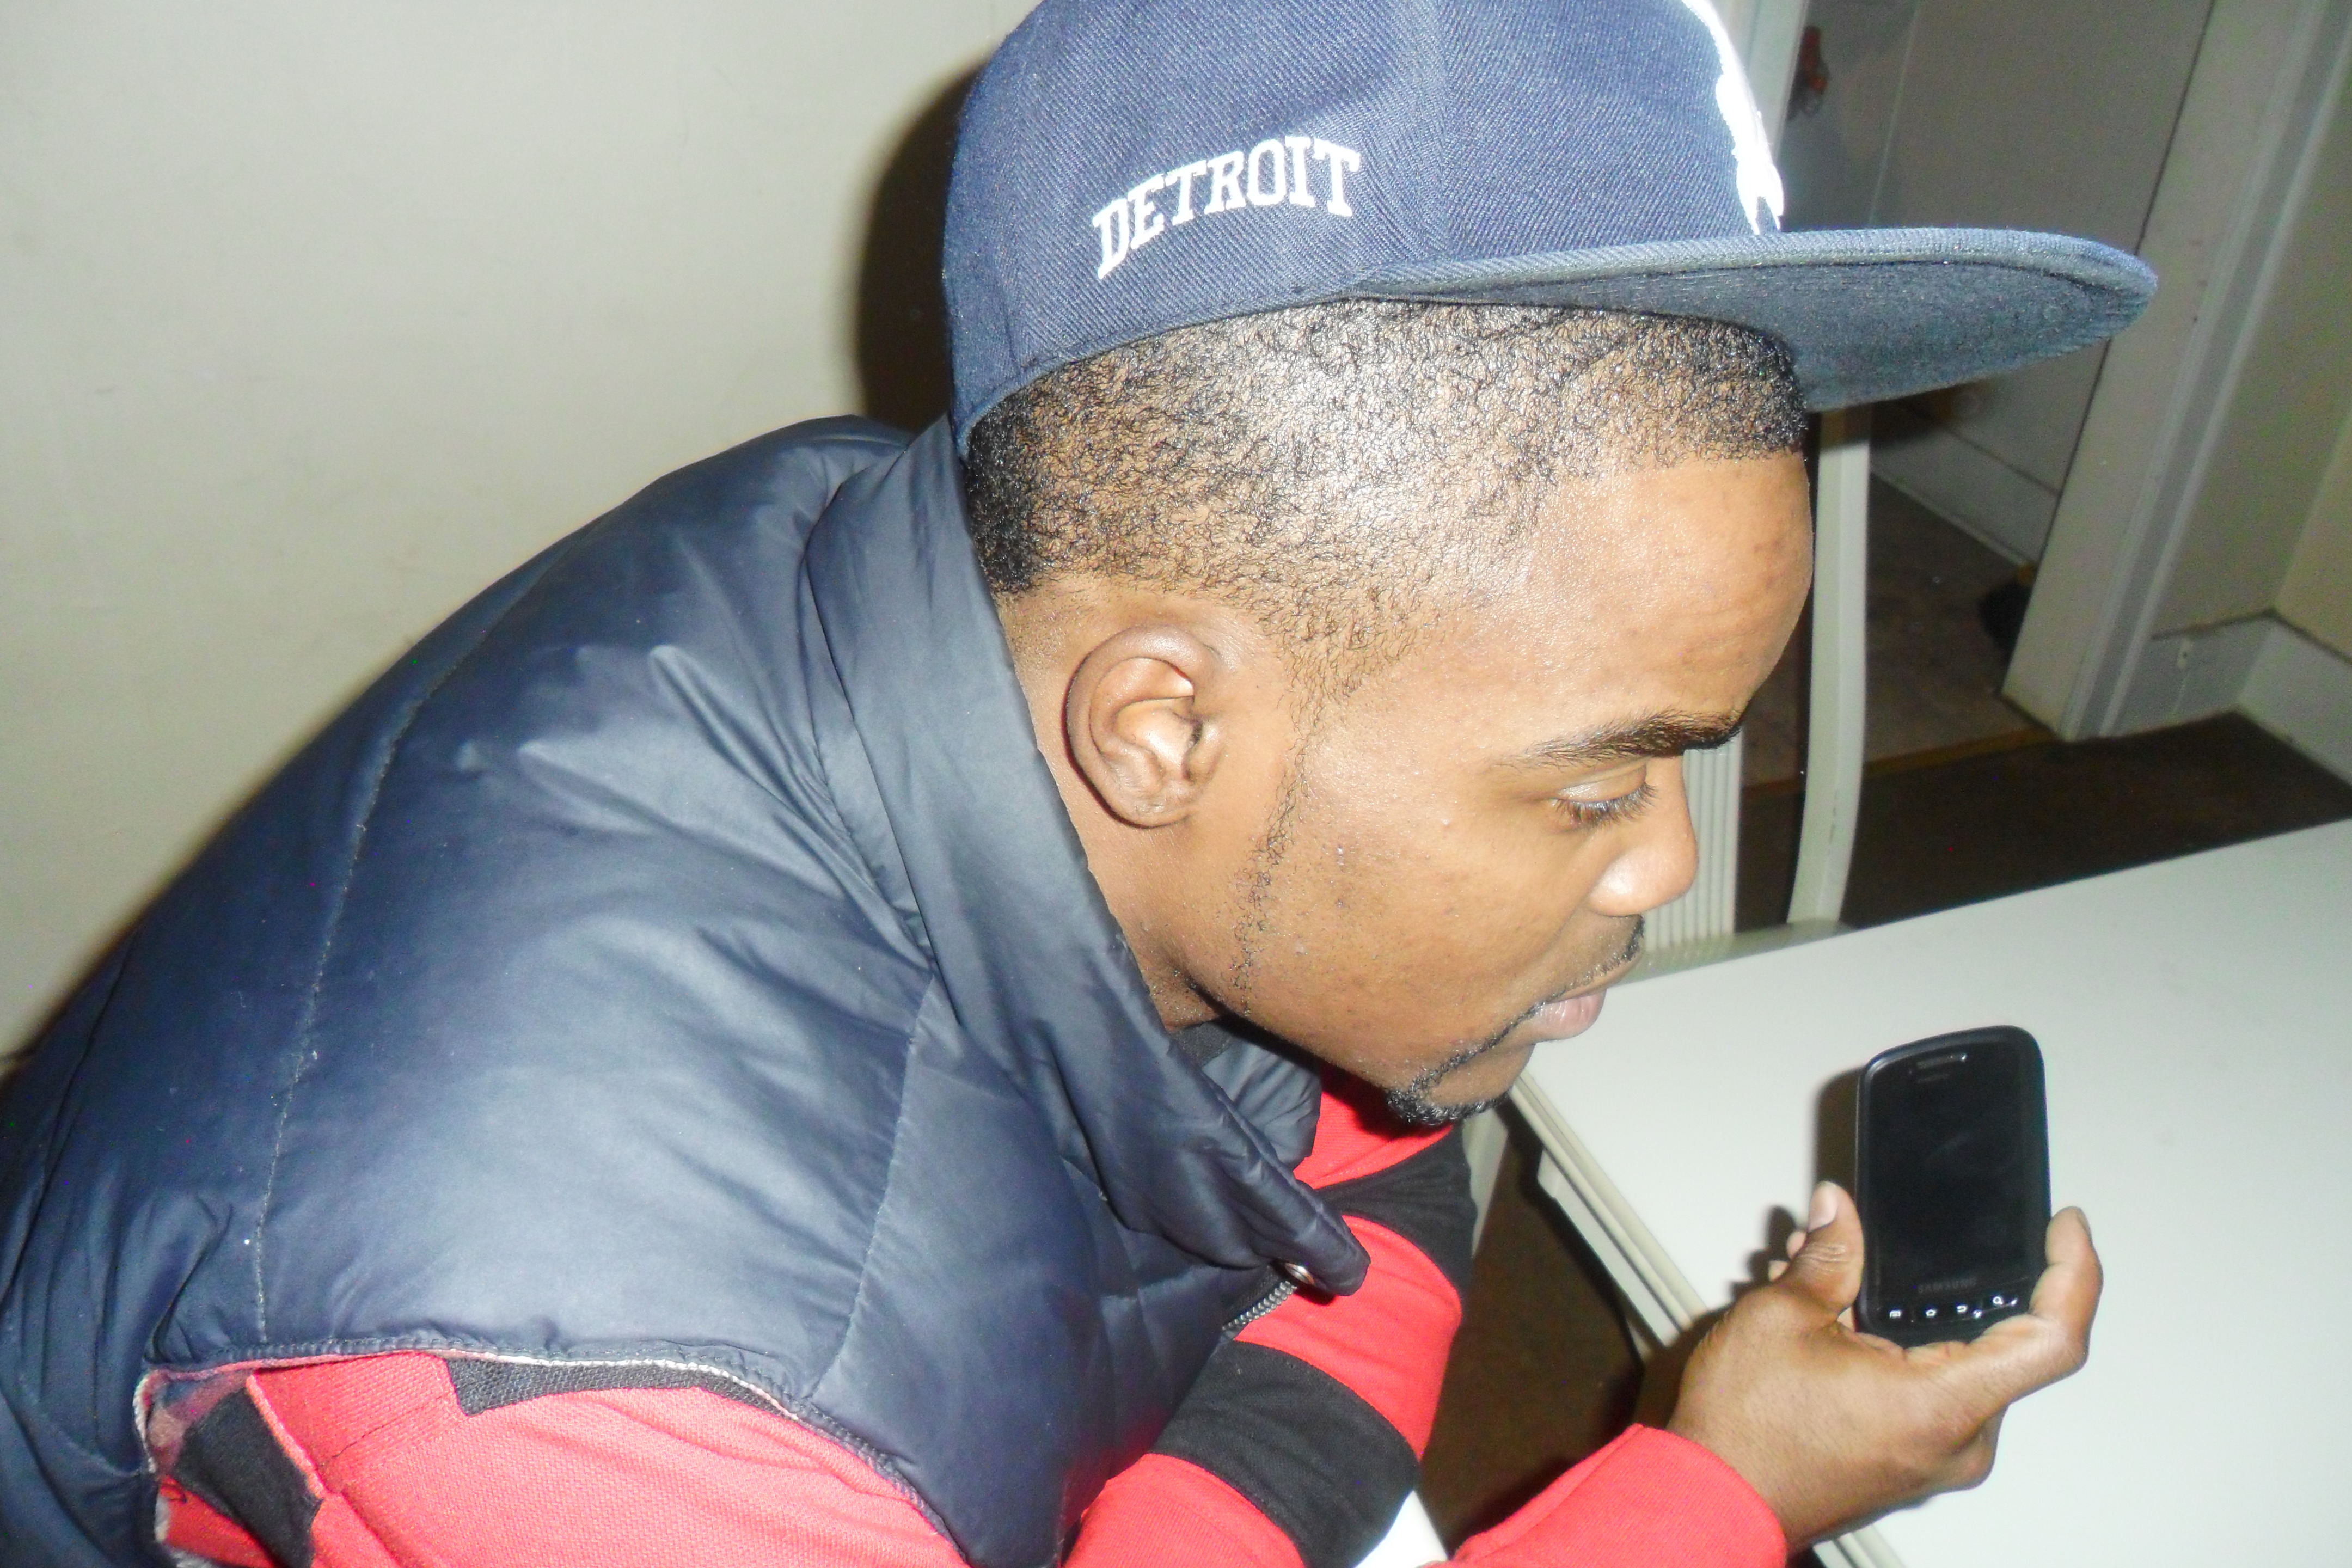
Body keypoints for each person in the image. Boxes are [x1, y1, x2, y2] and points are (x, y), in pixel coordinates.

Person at [0, 1, 2149, 1565]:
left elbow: (1365, 1175)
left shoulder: (937, 582)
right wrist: (1717, 1494)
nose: (1668, 863)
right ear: (1161, 730)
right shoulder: (591, 1402)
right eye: (1600, 785)